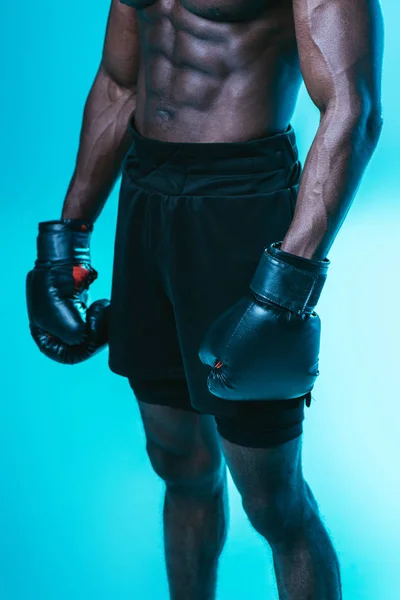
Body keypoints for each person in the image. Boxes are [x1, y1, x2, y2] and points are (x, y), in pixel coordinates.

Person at [26, 0, 384, 598]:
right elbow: (119, 83)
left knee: (273, 500)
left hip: (240, 206)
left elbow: (353, 108)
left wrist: (285, 284)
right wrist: (67, 241)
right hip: (147, 199)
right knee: (180, 467)